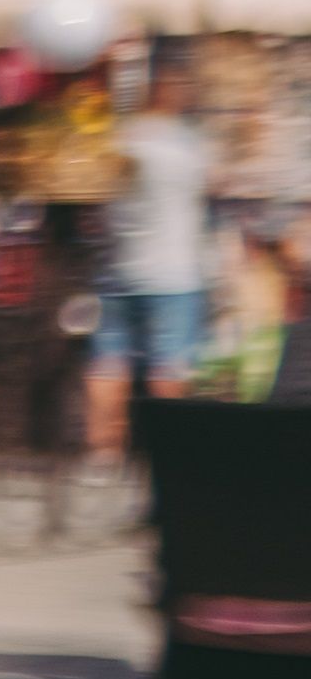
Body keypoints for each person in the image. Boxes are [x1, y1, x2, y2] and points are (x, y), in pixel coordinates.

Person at [103, 51, 218, 450]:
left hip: (121, 267)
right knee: (168, 366)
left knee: (109, 362)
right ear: (169, 90)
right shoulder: (187, 146)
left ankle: (102, 457)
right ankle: (169, 451)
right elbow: (213, 185)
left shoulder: (122, 138)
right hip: (174, 274)